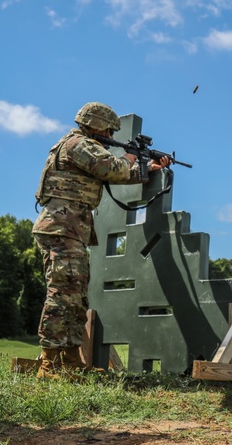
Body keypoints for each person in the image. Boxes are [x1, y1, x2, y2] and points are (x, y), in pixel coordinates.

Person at [33, 102, 169, 378]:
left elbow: (115, 173)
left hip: (72, 228)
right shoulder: (78, 144)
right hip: (62, 227)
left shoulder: (84, 147)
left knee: (76, 297)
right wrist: (130, 156)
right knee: (61, 296)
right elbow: (112, 169)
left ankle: (70, 360)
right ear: (95, 124)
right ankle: (48, 364)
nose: (109, 134)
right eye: (107, 129)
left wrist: (148, 169)